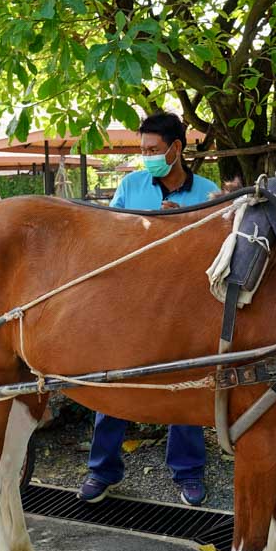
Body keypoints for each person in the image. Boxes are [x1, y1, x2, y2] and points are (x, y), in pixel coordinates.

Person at [80, 112, 219, 507]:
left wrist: (182, 226)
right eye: (143, 151)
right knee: (113, 382)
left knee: (185, 387)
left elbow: (218, 255)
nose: (147, 157)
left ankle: (189, 473)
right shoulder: (130, 185)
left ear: (176, 148)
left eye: (154, 150)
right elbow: (106, 238)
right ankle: (102, 470)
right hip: (131, 304)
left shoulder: (208, 193)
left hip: (185, 308)